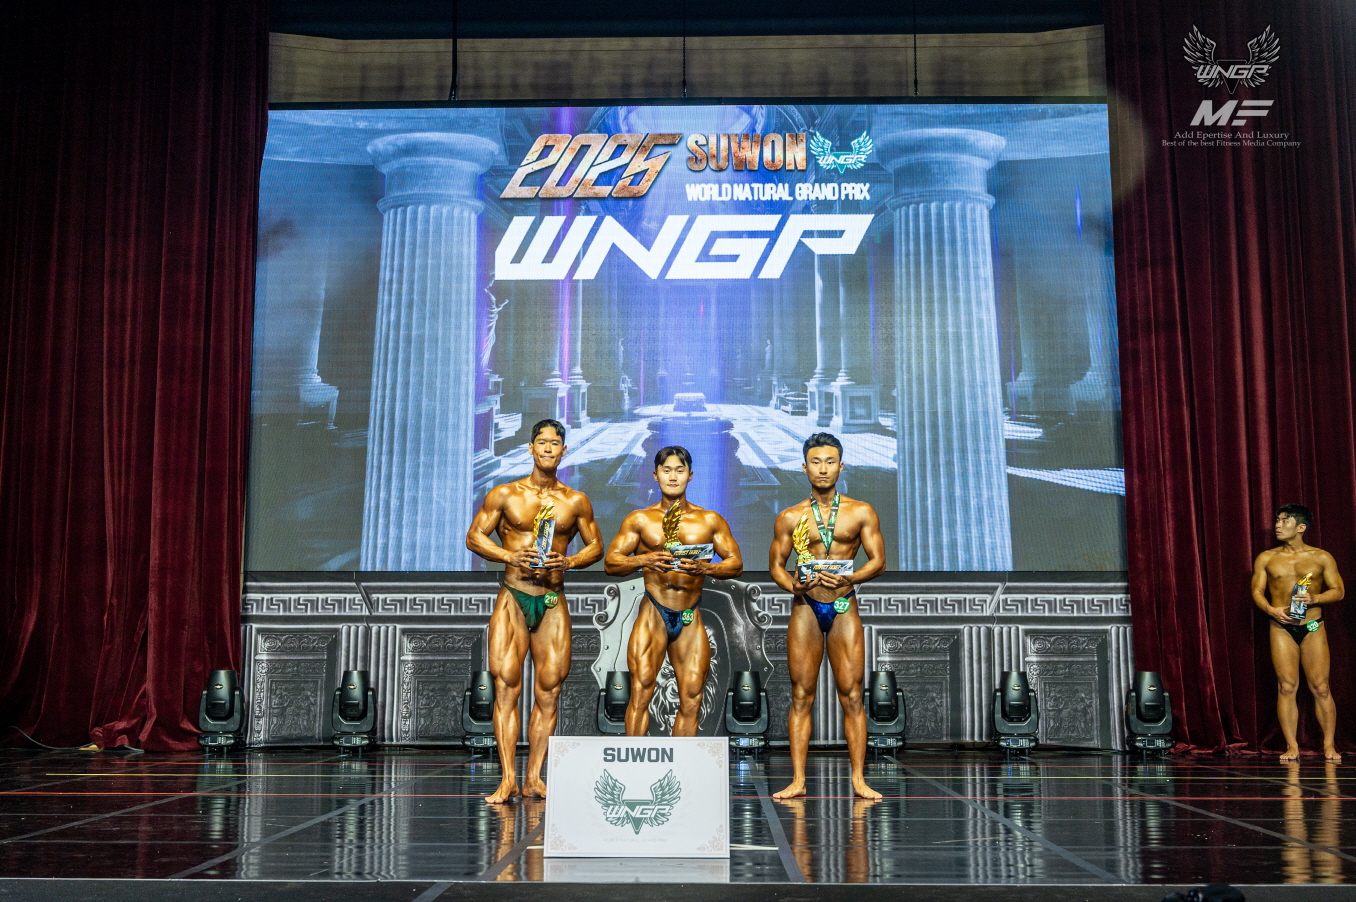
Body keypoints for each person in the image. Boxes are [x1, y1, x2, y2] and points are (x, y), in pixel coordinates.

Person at [465, 419, 604, 802]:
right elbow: (474, 536)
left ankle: (534, 778)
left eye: (555, 443)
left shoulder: (575, 501)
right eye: (541, 442)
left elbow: (596, 547)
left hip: (552, 599)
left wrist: (570, 561)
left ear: (563, 451)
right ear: (530, 448)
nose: (547, 449)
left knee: (549, 690)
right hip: (514, 595)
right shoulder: (505, 494)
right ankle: (508, 778)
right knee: (506, 687)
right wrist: (508, 555)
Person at [768, 433, 886, 799]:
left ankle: (859, 779)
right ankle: (798, 780)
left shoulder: (861, 511)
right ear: (804, 468)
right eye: (816, 462)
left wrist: (852, 578)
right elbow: (776, 566)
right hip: (805, 606)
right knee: (801, 694)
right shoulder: (790, 516)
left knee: (852, 695)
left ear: (841, 466)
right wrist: (794, 586)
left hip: (843, 604)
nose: (823, 469)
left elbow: (879, 561)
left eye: (830, 462)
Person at [604, 446, 743, 736]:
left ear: (690, 475)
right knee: (641, 690)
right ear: (655, 475)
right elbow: (611, 562)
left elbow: (735, 564)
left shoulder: (710, 520)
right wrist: (644, 560)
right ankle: (634, 762)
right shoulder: (639, 520)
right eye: (666, 470)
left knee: (692, 696)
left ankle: (681, 763)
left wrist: (706, 568)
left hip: (690, 613)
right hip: (654, 610)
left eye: (679, 471)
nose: (673, 477)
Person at [1251, 503, 1344, 761]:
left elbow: (1338, 591)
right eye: (1277, 520)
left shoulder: (1321, 557)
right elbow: (1257, 591)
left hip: (1313, 626)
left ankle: (1329, 745)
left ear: (1301, 527)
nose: (1278, 525)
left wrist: (1315, 598)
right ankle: (1291, 746)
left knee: (1321, 687)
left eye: (1285, 520)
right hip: (1281, 627)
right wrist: (1271, 610)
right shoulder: (1267, 558)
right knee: (1287, 686)